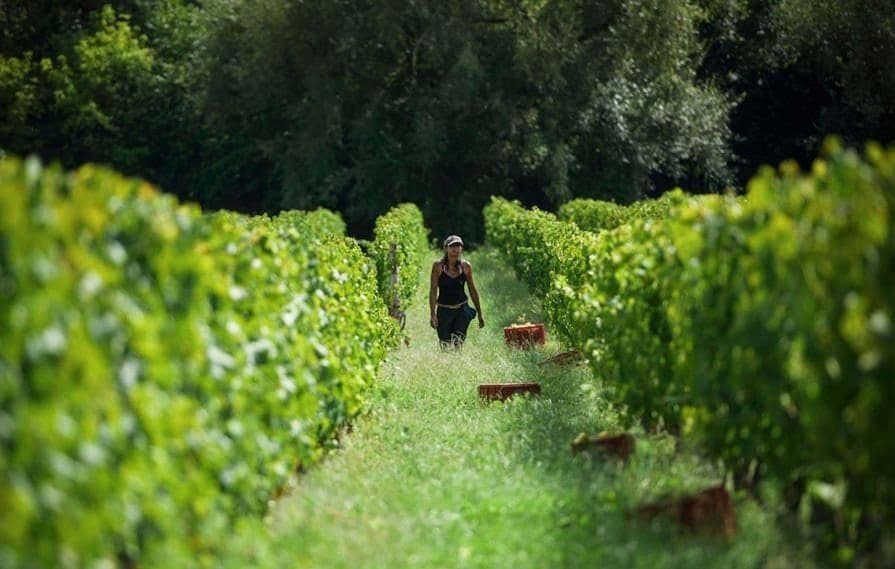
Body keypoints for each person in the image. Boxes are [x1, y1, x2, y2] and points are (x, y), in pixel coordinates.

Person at [429, 234, 485, 349]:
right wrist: (433, 314)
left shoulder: (466, 267)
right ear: (446, 248)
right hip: (444, 310)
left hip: (461, 310)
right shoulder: (438, 267)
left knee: (458, 343)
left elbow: (472, 290)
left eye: (458, 246)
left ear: (461, 249)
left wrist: (480, 313)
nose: (455, 249)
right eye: (452, 246)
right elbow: (433, 291)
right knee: (444, 344)